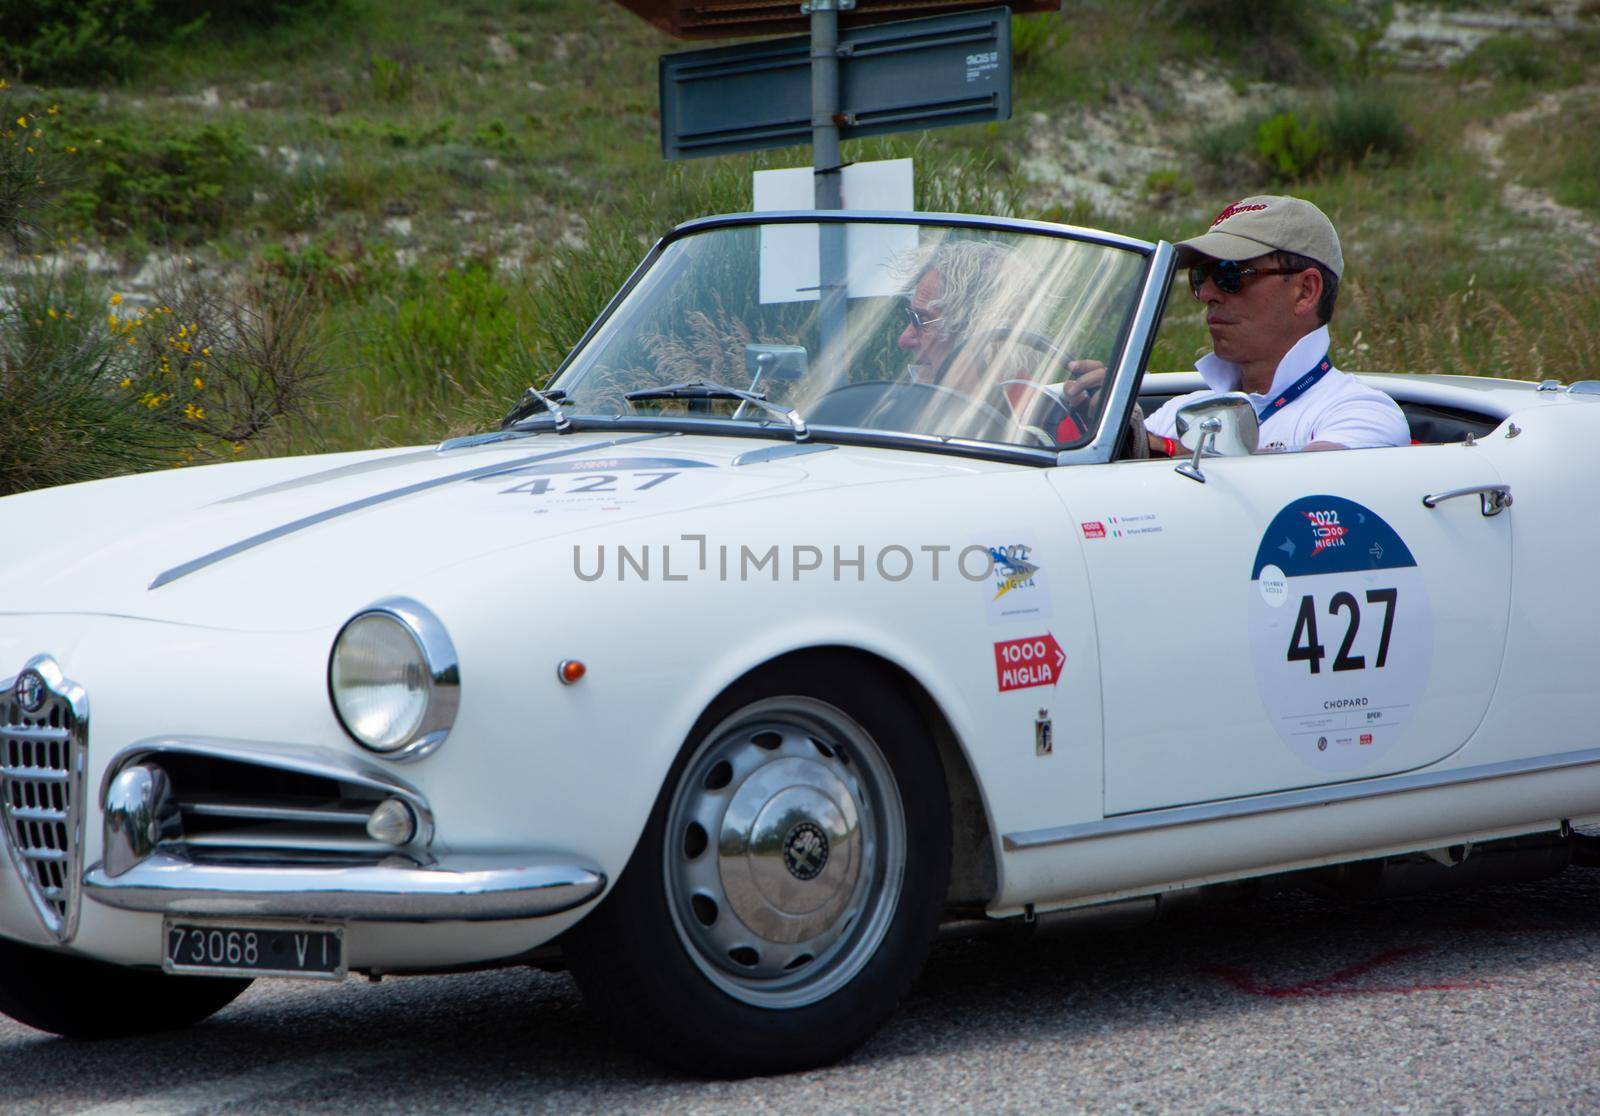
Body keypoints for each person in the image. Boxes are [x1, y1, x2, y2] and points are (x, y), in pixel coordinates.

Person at [1138, 195, 1409, 455]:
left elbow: (1306, 482)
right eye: (1200, 276)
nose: (1207, 293)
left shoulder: (1363, 410)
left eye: (1230, 273)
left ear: (1305, 291)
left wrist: (1163, 448)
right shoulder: (1179, 411)